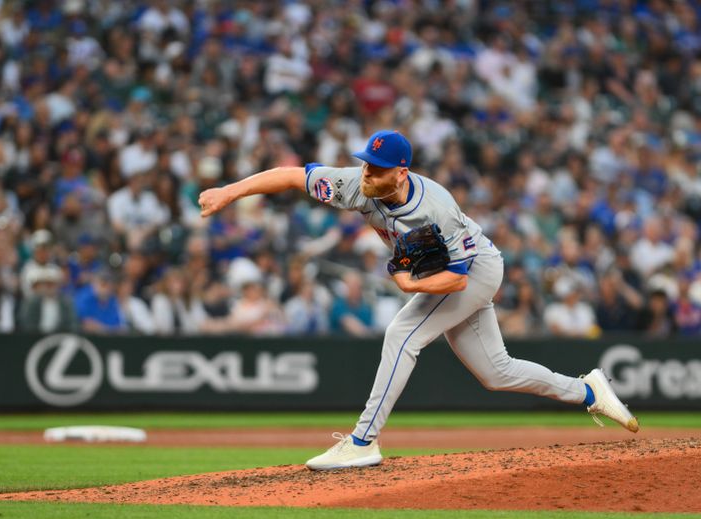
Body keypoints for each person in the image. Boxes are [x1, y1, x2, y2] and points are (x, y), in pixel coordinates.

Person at [199, 130, 639, 471]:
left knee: (403, 332)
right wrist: (229, 191)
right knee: (496, 372)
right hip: (441, 273)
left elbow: (458, 280)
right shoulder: (356, 184)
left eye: (376, 168)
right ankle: (588, 391)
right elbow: (293, 176)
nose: (366, 174)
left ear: (401, 172)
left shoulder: (437, 207)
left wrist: (412, 287)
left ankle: (362, 441)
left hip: (475, 271)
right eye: (366, 165)